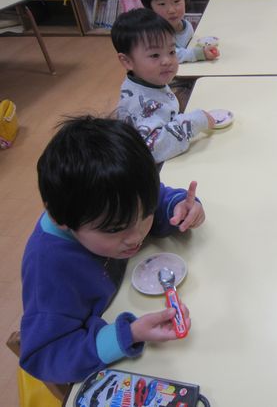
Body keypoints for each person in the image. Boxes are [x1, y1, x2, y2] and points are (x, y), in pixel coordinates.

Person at [20, 116, 206, 384]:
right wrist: (127, 335)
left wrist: (178, 208)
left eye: (145, 215)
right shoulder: (49, 269)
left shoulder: (117, 200)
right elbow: (46, 355)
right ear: (62, 220)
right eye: (116, 229)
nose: (136, 236)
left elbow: (156, 197)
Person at [111, 8, 215, 164]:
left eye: (172, 51)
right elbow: (154, 149)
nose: (167, 61)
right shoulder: (140, 103)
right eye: (155, 55)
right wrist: (195, 121)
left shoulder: (145, 80)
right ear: (127, 61)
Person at [140, 0, 219, 64]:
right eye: (162, 4)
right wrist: (200, 53)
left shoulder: (186, 25)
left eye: (176, 1)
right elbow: (171, 54)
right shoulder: (154, 35)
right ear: (150, 8)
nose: (171, 10)